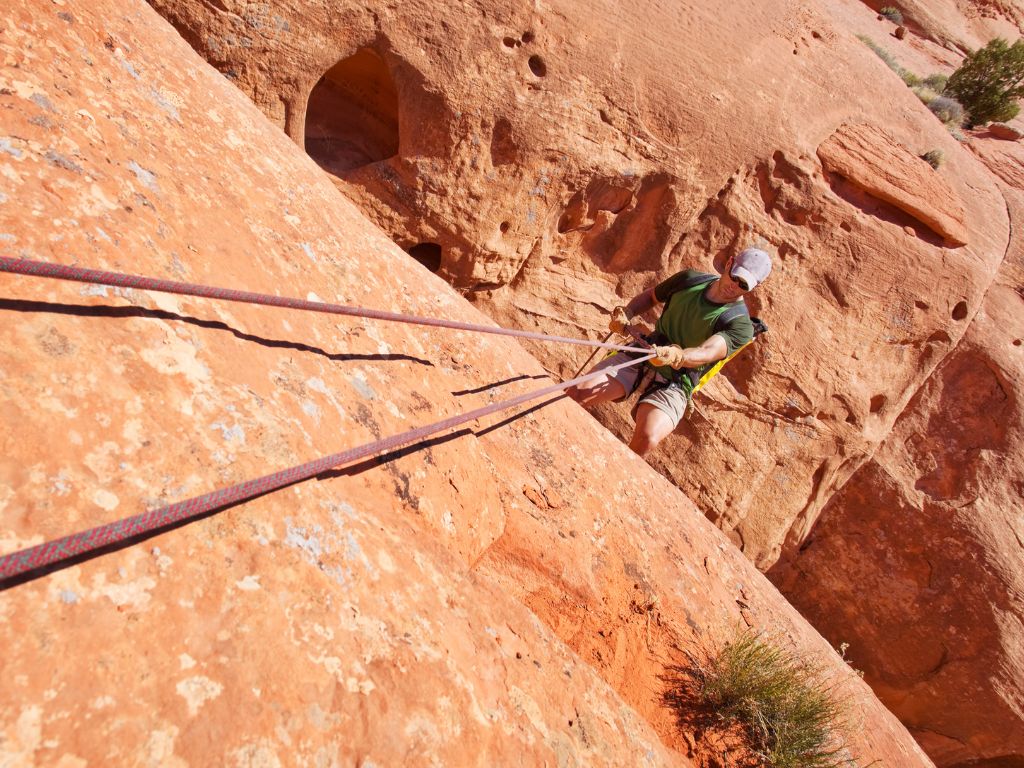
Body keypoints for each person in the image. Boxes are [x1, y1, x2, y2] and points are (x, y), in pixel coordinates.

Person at [567, 247, 772, 456]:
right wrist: (628, 312)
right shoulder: (690, 280)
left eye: (744, 285)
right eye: (736, 277)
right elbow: (651, 297)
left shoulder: (741, 325)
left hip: (677, 380)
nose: (735, 286)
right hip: (644, 353)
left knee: (648, 438)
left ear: (755, 287)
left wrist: (678, 356)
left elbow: (709, 351)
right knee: (577, 392)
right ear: (729, 264)